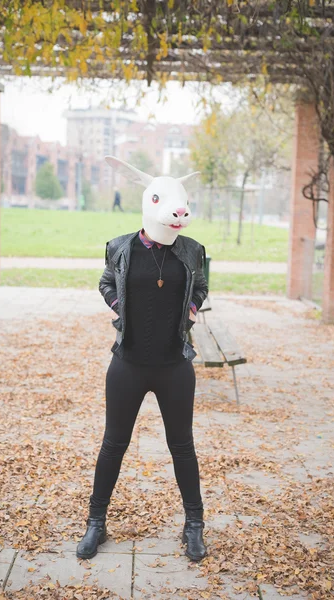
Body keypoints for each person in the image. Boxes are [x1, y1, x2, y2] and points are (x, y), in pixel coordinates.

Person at [76, 156, 208, 563]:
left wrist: (189, 314)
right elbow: (104, 282)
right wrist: (119, 308)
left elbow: (201, 287)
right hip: (128, 364)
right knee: (113, 444)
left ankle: (194, 526)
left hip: (174, 366)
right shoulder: (120, 247)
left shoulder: (192, 250)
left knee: (182, 446)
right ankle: (96, 523)